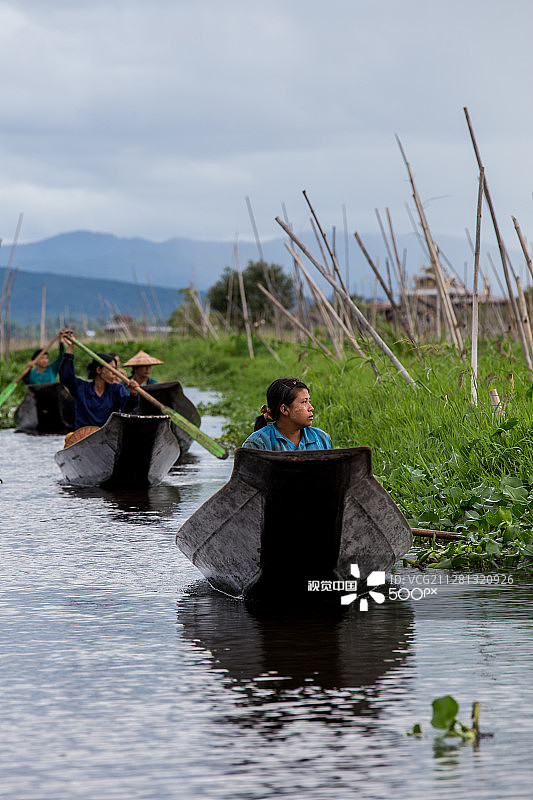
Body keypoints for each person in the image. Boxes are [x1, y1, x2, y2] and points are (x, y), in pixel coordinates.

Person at [58, 331, 140, 429]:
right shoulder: (82, 388)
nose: (115, 373)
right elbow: (65, 377)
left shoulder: (116, 389)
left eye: (116, 369)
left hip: (107, 435)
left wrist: (133, 394)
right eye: (111, 369)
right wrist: (71, 348)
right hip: (84, 435)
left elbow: (127, 410)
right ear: (99, 370)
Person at [242, 377, 333, 451]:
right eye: (304, 402)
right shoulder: (257, 443)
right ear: (284, 409)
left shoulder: (322, 439)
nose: (311, 408)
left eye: (309, 401)